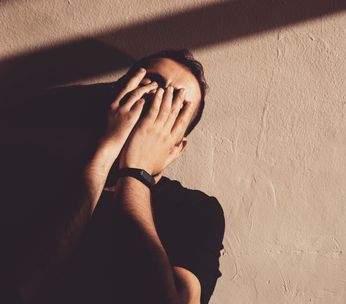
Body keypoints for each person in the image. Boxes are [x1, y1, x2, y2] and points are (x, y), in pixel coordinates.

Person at [1, 49, 225, 304]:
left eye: (175, 104)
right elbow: (20, 288)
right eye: (149, 85)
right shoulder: (34, 173)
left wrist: (136, 171)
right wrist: (106, 151)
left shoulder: (197, 211)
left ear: (178, 146)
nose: (157, 104)